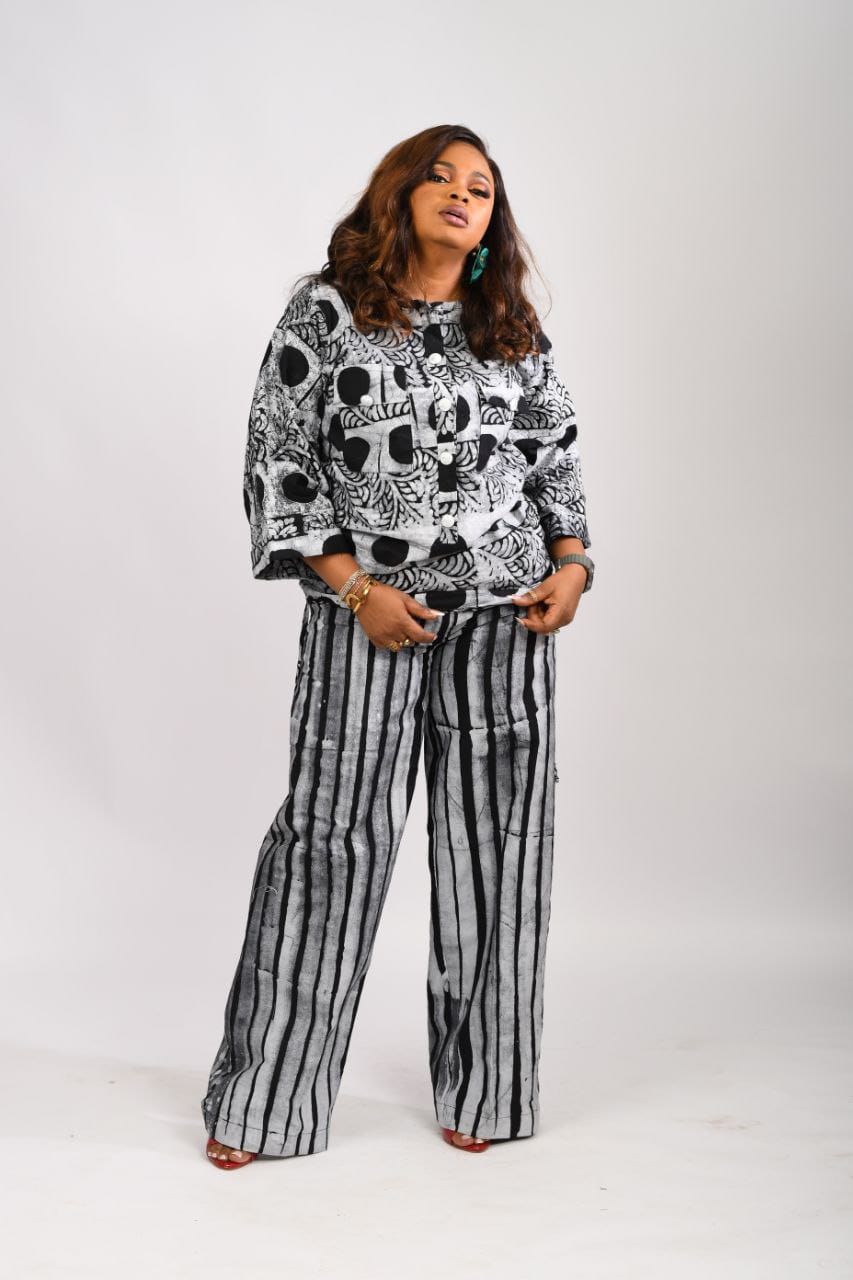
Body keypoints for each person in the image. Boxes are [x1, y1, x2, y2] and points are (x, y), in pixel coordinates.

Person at [202, 123, 595, 1169]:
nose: (463, 193)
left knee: (500, 850)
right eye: (443, 177)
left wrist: (572, 561)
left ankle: (488, 1090)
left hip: (508, 615)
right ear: (402, 193)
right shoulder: (326, 311)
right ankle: (266, 1103)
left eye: (482, 187)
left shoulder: (507, 322)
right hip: (368, 617)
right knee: (329, 841)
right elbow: (280, 461)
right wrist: (354, 587)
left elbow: (554, 452)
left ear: (491, 220)